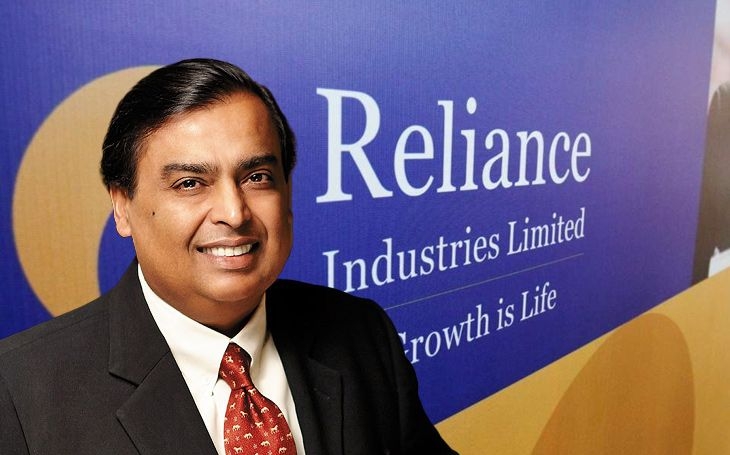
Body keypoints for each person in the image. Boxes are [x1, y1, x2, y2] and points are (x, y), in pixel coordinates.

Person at [0, 58, 457, 454]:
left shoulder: (361, 332)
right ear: (122, 207)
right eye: (189, 184)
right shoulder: (19, 391)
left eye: (256, 177)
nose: (234, 213)